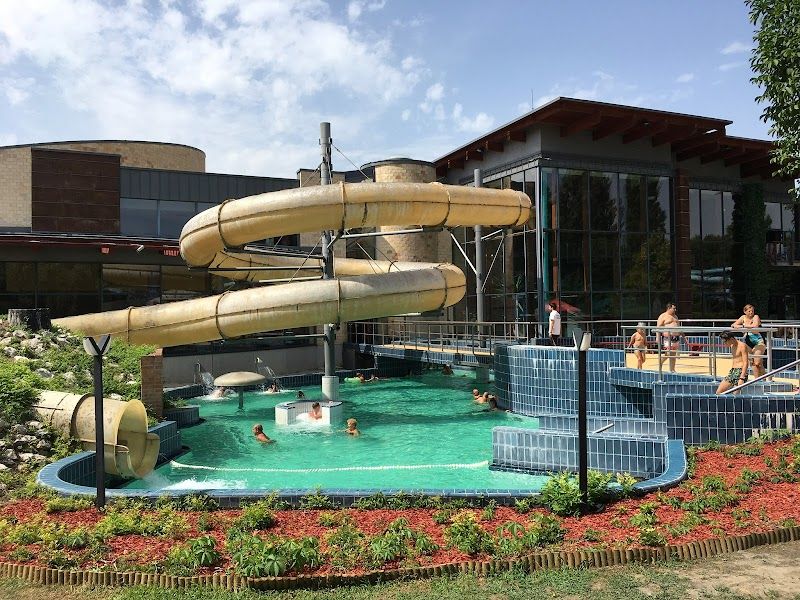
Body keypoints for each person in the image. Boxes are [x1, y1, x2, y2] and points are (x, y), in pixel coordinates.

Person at [731, 304, 766, 378]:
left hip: (759, 342)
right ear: (745, 312)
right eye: (749, 311)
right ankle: (757, 379)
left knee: (757, 362)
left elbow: (755, 325)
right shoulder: (743, 317)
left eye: (752, 311)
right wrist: (739, 326)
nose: (751, 312)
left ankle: (764, 378)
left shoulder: (756, 317)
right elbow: (733, 325)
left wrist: (743, 326)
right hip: (748, 342)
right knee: (753, 362)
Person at [656, 302, 683, 372]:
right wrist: (657, 337)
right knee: (668, 353)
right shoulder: (663, 316)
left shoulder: (675, 316)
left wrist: (684, 336)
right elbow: (658, 327)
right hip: (668, 337)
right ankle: (660, 363)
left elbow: (679, 327)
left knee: (673, 355)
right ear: (669, 308)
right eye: (674, 308)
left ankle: (672, 370)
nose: (675, 310)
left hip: (676, 337)